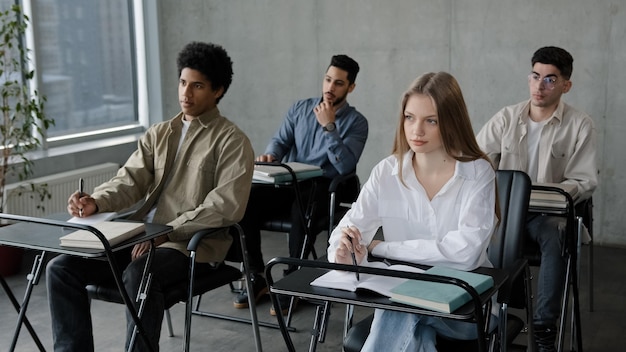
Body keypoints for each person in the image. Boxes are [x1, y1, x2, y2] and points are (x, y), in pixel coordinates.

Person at [46, 42, 255, 352]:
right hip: (137, 236)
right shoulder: (160, 133)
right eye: (183, 82)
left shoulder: (232, 141)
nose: (186, 93)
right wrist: (97, 202)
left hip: (189, 245)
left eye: (197, 86)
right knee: (60, 269)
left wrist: (164, 234)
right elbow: (129, 180)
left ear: (218, 90)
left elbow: (224, 208)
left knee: (139, 274)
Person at [327, 72, 498, 351]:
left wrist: (381, 248)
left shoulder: (478, 173)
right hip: (403, 296)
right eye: (410, 117)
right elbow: (348, 229)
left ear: (451, 122)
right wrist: (344, 251)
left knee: (400, 306)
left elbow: (464, 254)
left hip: (466, 309)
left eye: (431, 120)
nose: (416, 130)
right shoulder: (386, 171)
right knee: (408, 315)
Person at [476, 46, 597, 352]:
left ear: (566, 85)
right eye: (535, 76)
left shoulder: (580, 124)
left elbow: (583, 181)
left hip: (546, 216)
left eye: (550, 80)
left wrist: (540, 194)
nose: (540, 86)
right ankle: (485, 315)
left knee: (556, 234)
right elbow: (475, 160)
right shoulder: (507, 117)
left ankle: (543, 329)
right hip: (505, 213)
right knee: (473, 227)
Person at [234, 54, 368, 315]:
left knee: (304, 205)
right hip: (291, 181)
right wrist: (271, 154)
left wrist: (329, 127)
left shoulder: (357, 122)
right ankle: (256, 274)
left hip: (326, 186)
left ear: (350, 87)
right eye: (328, 80)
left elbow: (344, 167)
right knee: (245, 199)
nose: (330, 87)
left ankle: (291, 279)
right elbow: (280, 141)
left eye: (339, 83)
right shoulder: (300, 109)